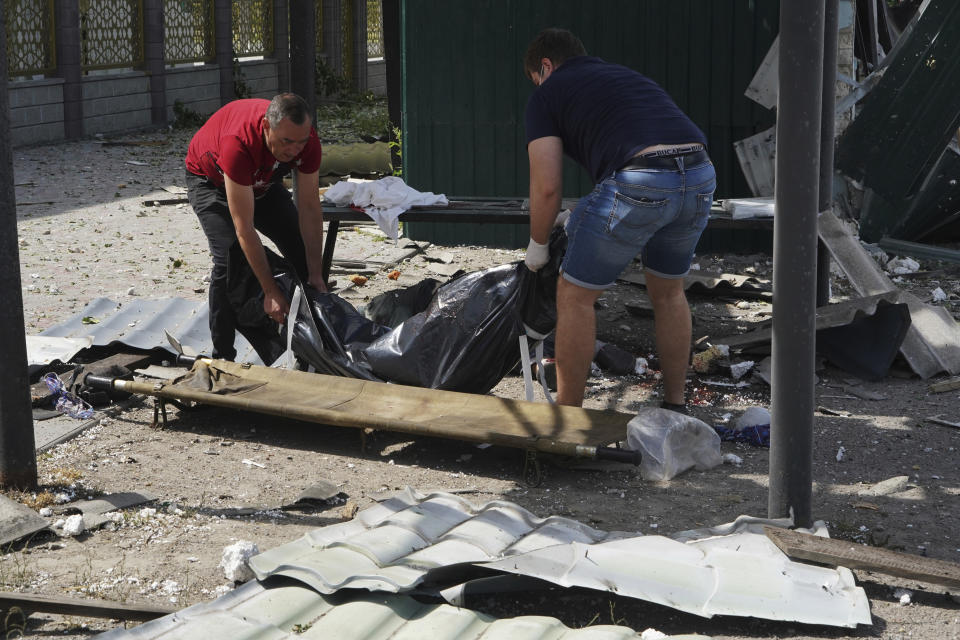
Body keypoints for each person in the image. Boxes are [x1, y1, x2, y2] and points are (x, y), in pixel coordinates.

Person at [522, 28, 716, 411]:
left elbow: (546, 188)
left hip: (641, 179)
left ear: (545, 66)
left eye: (535, 78)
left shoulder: (547, 93)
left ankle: (570, 417)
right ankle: (676, 405)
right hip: (698, 174)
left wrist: (538, 244)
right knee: (669, 292)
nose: (536, 85)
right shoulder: (625, 76)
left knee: (575, 296)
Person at [185, 93, 327, 361]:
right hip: (211, 181)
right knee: (229, 261)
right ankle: (223, 357)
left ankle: (314, 346)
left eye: (301, 142)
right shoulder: (237, 143)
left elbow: (309, 207)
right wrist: (270, 292)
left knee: (303, 256)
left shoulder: (307, 143)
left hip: (262, 182)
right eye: (286, 141)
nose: (294, 150)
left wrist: (316, 273)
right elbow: (244, 228)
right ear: (265, 127)